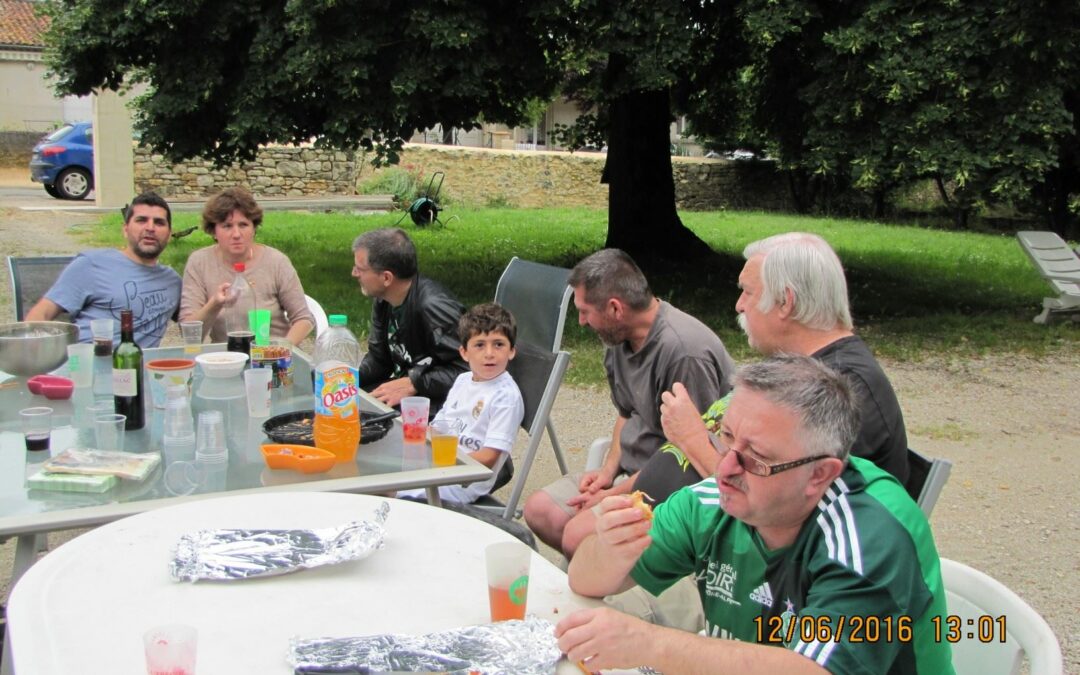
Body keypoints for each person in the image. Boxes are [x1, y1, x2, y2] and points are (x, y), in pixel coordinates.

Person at [556, 355, 953, 674]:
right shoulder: (713, 501)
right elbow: (585, 580)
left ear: (820, 474)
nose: (724, 467)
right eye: (725, 438)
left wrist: (651, 644)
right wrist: (609, 548)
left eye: (758, 458)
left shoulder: (868, 534)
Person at [523, 249, 735, 558]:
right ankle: (607, 580)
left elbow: (688, 458)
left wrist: (612, 495)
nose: (581, 322)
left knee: (576, 536)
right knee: (540, 511)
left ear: (614, 308)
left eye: (585, 311)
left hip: (673, 485)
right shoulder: (619, 339)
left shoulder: (685, 353)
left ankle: (623, 590)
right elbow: (627, 412)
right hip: (630, 474)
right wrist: (607, 473)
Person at [659, 232, 911, 490]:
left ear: (785, 302)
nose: (739, 305)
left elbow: (772, 501)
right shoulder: (808, 370)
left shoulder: (841, 387)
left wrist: (691, 438)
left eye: (747, 292)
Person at [397, 302, 525, 504]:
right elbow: (438, 428)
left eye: (498, 344)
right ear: (464, 352)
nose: (489, 353)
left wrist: (446, 463)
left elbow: (489, 456)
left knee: (389, 491)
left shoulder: (505, 397)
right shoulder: (463, 381)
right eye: (480, 345)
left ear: (511, 351)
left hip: (463, 480)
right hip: (439, 466)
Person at [26, 191, 181, 347]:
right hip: (88, 363)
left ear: (169, 234)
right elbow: (41, 314)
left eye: (159, 222)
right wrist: (38, 357)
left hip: (140, 368)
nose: (150, 228)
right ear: (125, 229)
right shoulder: (91, 264)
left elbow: (194, 324)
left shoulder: (173, 281)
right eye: (141, 220)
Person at [179, 187, 314, 346]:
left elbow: (304, 319)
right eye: (227, 226)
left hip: (274, 356)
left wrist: (282, 350)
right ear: (213, 231)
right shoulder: (199, 262)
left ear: (254, 228)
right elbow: (189, 334)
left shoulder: (276, 261)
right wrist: (215, 304)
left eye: (243, 225)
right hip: (226, 358)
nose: (236, 234)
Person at [352, 228, 468, 409]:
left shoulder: (433, 307)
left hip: (442, 407)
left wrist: (415, 382)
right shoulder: (384, 300)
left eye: (360, 269)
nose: (354, 273)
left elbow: (470, 370)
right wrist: (345, 380)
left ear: (386, 277)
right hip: (411, 394)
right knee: (344, 403)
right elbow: (379, 361)